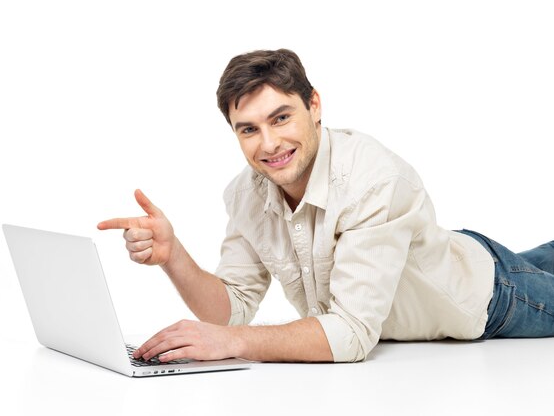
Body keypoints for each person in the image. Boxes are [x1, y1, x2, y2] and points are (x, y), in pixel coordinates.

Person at [97, 49, 554, 363]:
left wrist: (231, 343)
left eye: (281, 118)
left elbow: (352, 334)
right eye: (249, 129)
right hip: (447, 255)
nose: (270, 144)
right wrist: (173, 256)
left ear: (314, 105)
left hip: (492, 297)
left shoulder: (373, 179)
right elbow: (230, 310)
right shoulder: (245, 194)